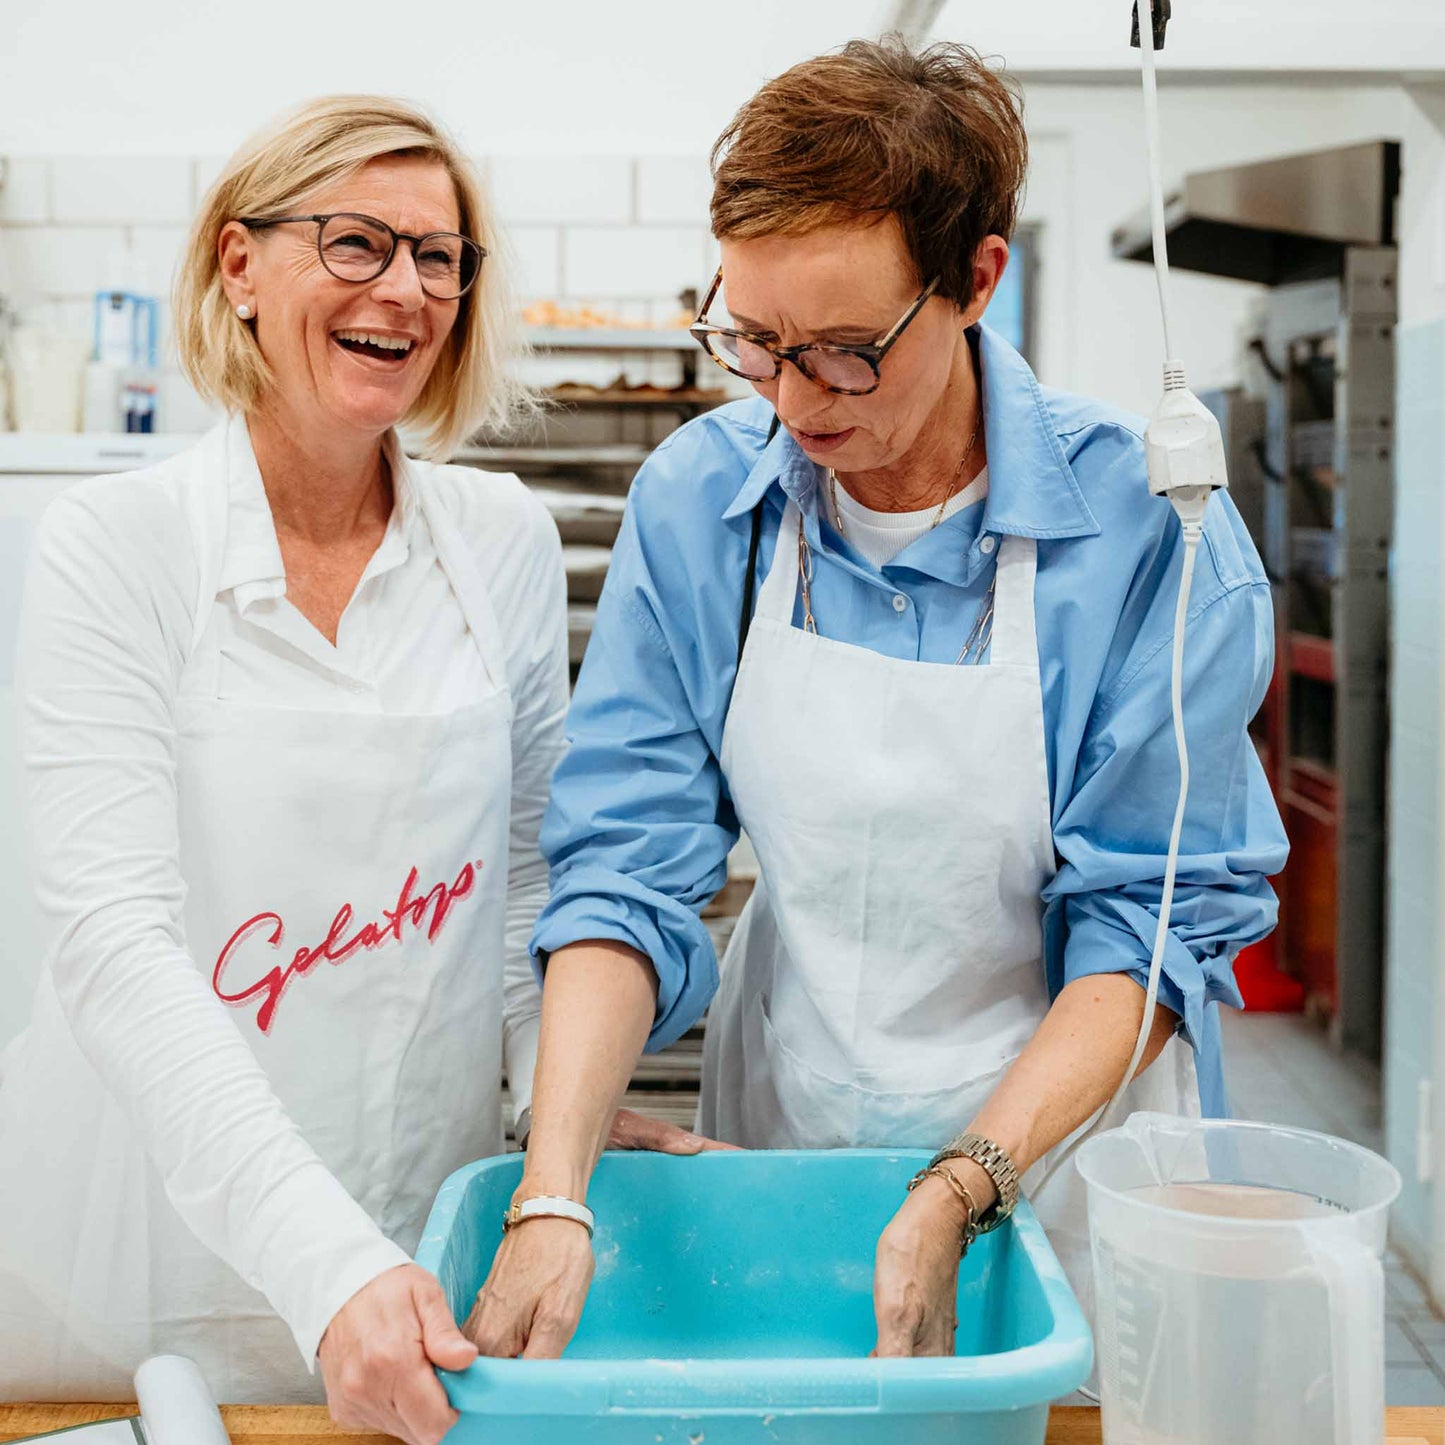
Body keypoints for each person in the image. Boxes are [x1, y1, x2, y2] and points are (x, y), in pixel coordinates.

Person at [464, 38, 1289, 1363]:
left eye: (845, 353)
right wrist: (554, 1182)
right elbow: (625, 863)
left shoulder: (1145, 536)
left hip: (1062, 1159)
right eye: (754, 342)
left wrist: (961, 1182)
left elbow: (1146, 927)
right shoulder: (702, 502)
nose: (792, 401)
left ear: (975, 281)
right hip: (778, 1139)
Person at [0, 94, 570, 1444]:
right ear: (241, 265)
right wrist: (326, 1262)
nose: (407, 290)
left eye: (441, 257)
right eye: (358, 242)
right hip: (146, 1246)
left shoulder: (501, 542)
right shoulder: (116, 543)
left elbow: (526, 892)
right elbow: (114, 946)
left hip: (420, 1232)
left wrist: (560, 1141)